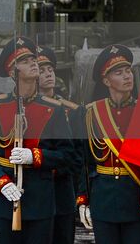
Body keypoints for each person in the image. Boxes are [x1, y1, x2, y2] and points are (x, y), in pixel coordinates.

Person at [0, 36, 69, 244]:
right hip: (4, 198)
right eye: (24, 61)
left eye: (33, 59)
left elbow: (66, 154)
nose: (33, 63)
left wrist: (35, 156)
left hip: (40, 200)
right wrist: (1, 182)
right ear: (12, 71)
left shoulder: (53, 109)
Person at [78, 44, 140, 244]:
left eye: (128, 71)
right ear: (106, 80)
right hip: (104, 200)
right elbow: (84, 160)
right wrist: (83, 198)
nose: (127, 76)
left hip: (137, 198)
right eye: (119, 72)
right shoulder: (90, 114)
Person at [36, 45, 83, 244]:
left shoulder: (71, 111)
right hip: (34, 189)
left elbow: (79, 155)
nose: (48, 74)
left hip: (61, 189)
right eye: (41, 70)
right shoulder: (21, 109)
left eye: (50, 70)